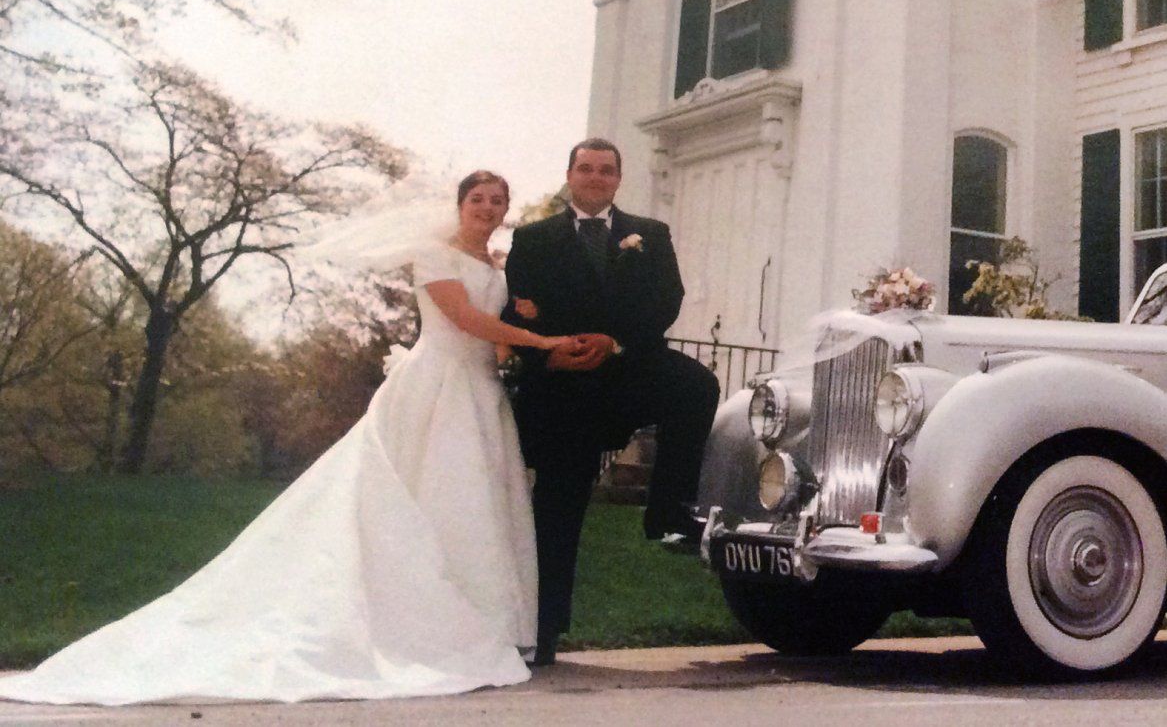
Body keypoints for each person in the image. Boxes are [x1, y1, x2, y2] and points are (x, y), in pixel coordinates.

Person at [0, 171, 584, 706]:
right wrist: (544, 341)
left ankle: (477, 624)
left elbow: (494, 339)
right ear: (459, 205)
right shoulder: (434, 255)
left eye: (497, 201)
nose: (487, 208)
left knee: (474, 504)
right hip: (435, 387)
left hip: (479, 391)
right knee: (427, 495)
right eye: (477, 199)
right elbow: (464, 320)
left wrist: (525, 334)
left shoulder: (499, 267)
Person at [503, 138, 720, 666]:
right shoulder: (532, 238)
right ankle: (543, 631)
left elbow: (667, 300)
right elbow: (512, 310)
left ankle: (668, 510)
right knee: (558, 507)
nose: (595, 177)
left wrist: (616, 340)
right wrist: (549, 354)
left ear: (619, 179)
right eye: (586, 168)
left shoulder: (650, 234)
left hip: (629, 369)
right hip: (566, 385)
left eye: (606, 170)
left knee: (696, 385)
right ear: (570, 175)